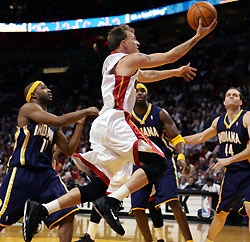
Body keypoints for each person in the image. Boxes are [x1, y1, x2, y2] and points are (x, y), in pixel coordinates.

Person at [23, 20, 217, 242]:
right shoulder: (128, 59)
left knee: (98, 186)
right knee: (158, 163)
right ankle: (113, 201)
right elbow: (167, 55)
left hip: (102, 125)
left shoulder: (112, 63)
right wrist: (198, 36)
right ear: (124, 43)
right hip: (117, 121)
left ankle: (42, 209)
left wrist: (176, 72)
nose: (138, 42)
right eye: (134, 40)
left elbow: (146, 76)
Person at [78, 83, 194, 242]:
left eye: (142, 90)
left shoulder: (160, 114)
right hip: (137, 163)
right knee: (138, 208)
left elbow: (177, 137)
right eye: (136, 90)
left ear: (147, 94)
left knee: (173, 201)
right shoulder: (123, 118)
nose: (139, 93)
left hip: (162, 160)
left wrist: (181, 156)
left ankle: (189, 240)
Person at [0, 81, 99, 242]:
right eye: (43, 87)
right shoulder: (28, 108)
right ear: (34, 95)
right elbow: (60, 120)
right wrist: (85, 111)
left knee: (68, 211)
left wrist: (80, 124)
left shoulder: (52, 124)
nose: (49, 89)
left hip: (46, 175)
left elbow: (68, 150)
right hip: (23, 172)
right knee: (2, 218)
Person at [184, 87, 250, 242]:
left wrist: (229, 159)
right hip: (232, 174)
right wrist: (178, 139)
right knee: (220, 213)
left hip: (248, 171)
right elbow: (201, 137)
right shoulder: (219, 121)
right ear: (224, 101)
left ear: (241, 101)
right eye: (229, 95)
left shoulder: (247, 117)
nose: (232, 96)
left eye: (236, 95)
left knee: (249, 207)